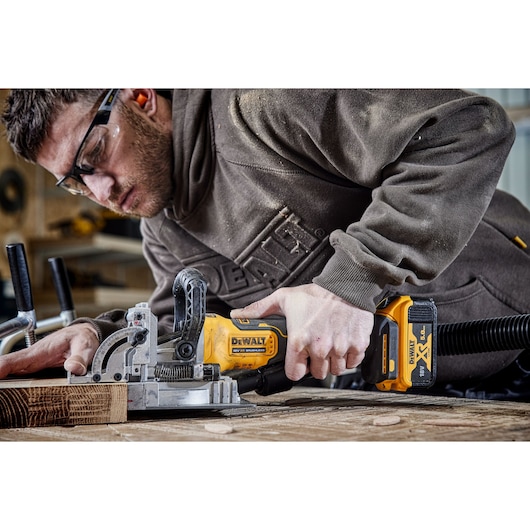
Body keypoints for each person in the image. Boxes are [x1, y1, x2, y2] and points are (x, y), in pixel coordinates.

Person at [1, 89, 530, 401]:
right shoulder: (164, 226)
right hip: (419, 396)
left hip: (515, 341)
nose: (100, 192)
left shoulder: (262, 103)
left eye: (93, 155)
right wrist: (102, 338)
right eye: (74, 181)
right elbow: (193, 332)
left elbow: (467, 129)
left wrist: (349, 287)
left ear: (140, 96)